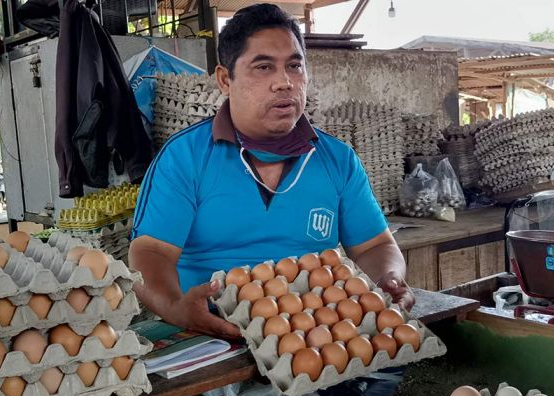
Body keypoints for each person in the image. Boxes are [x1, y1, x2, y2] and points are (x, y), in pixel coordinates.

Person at [129, 4, 414, 338]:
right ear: (225, 79)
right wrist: (178, 308)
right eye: (263, 67)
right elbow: (150, 253)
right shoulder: (186, 157)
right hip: (212, 336)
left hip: (314, 336)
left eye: (294, 66)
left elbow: (374, 246)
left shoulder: (337, 159)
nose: (284, 82)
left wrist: (388, 278)